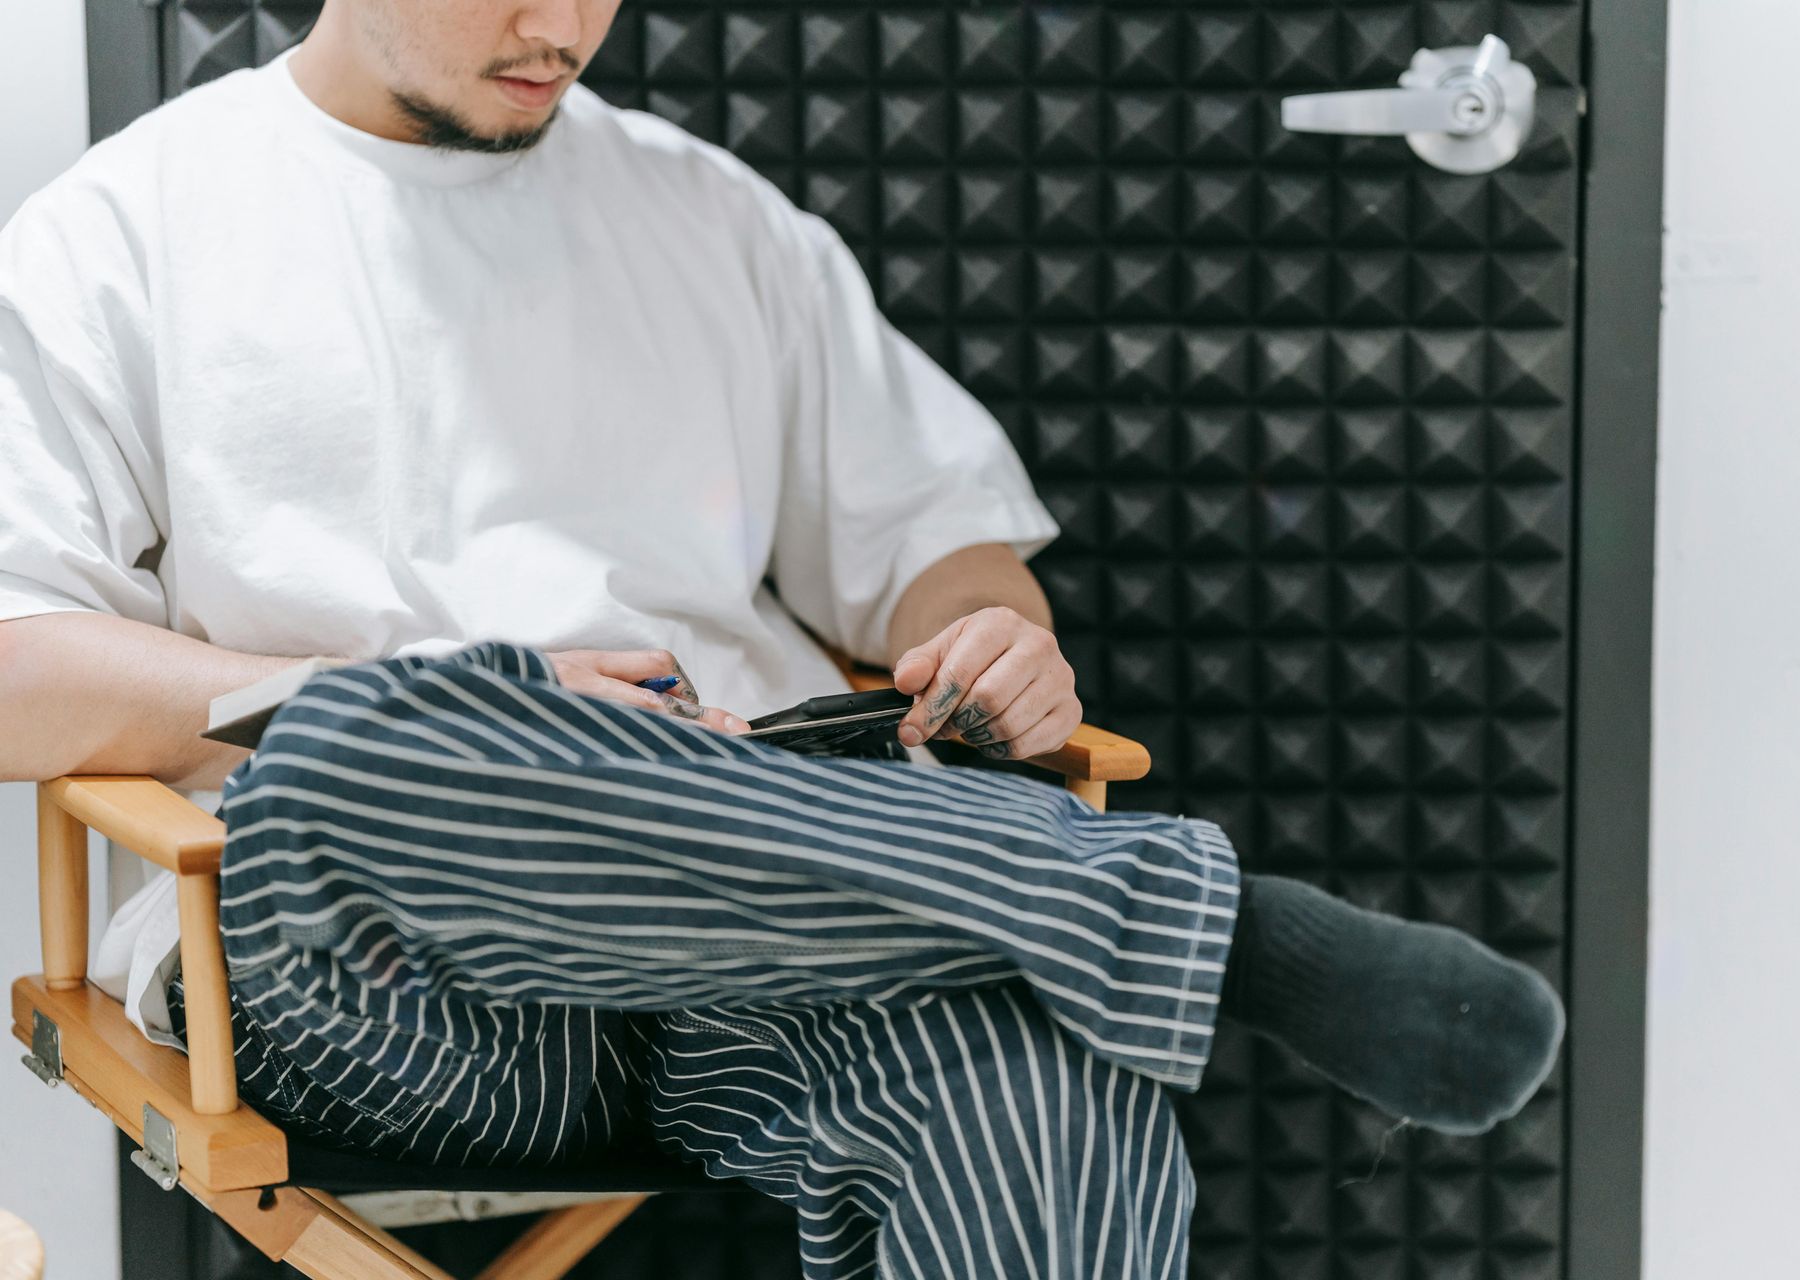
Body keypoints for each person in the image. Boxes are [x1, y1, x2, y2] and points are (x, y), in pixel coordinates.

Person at [0, 2, 1565, 1276]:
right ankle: (1198, 919)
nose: (565, 25)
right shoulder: (123, 234)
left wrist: (992, 635)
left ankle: (1113, 909)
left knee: (1047, 1100)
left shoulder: (706, 211)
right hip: (401, 976)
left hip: (775, 934)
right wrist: (462, 710)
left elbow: (935, 552)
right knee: (375, 735)